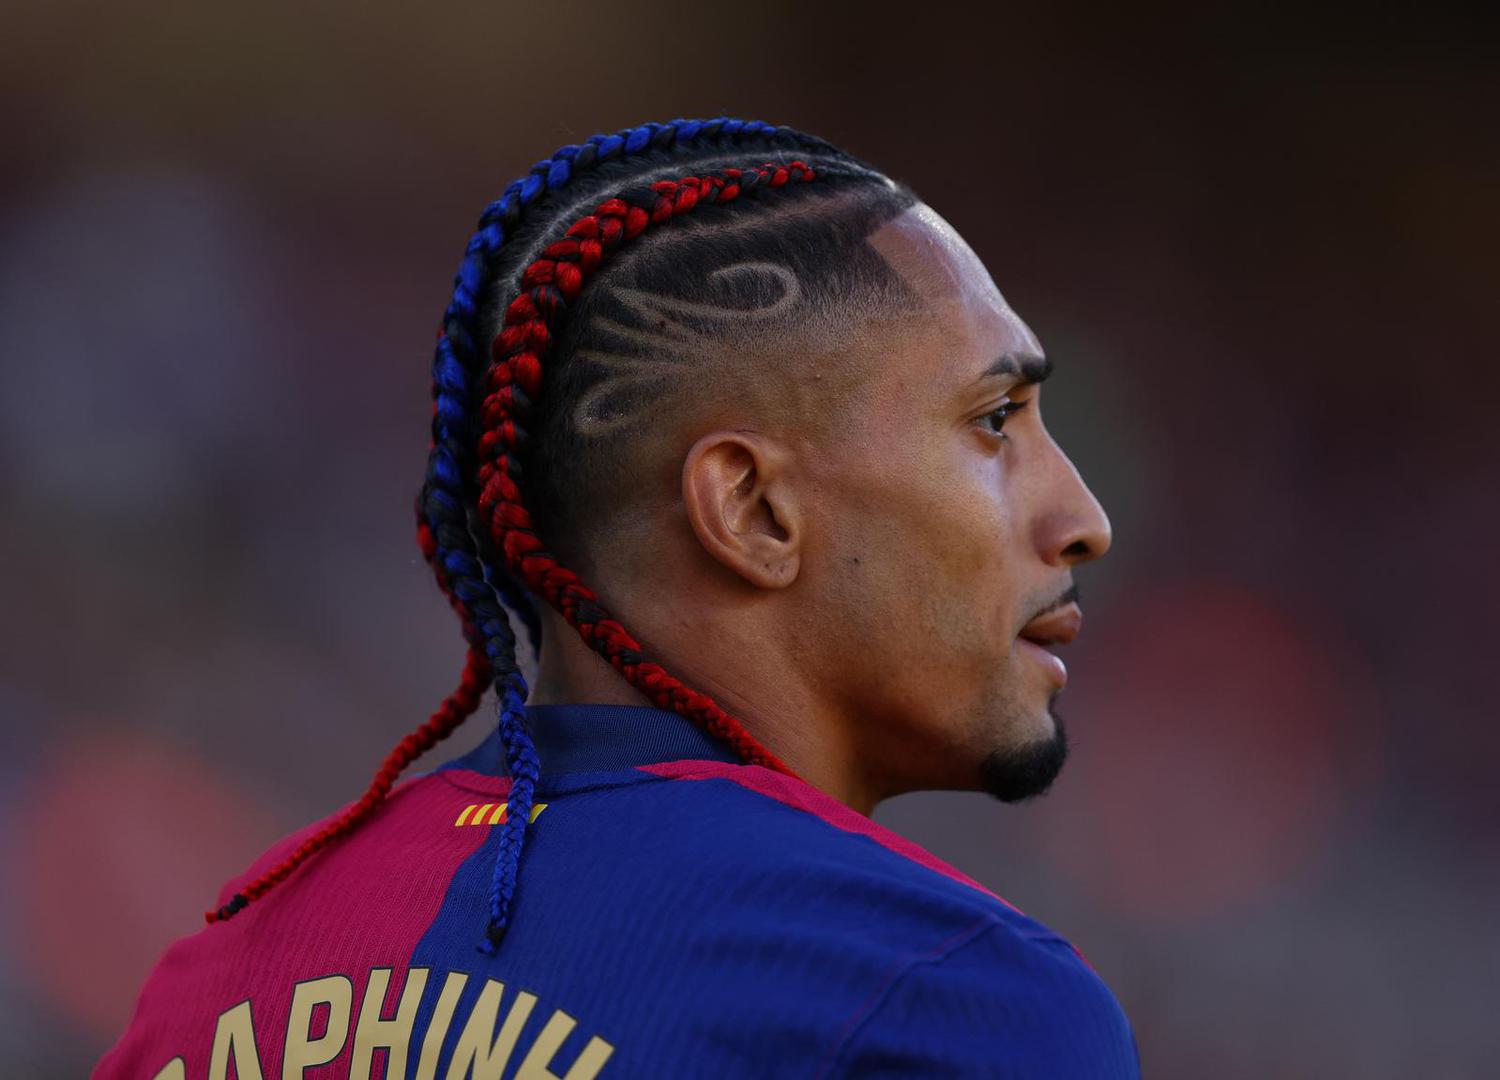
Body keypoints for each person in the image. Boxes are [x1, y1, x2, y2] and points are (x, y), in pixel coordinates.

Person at [97, 116, 1137, 1079]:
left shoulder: (209, 984)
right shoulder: (950, 995)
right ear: (753, 510)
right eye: (995, 420)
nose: (1083, 518)